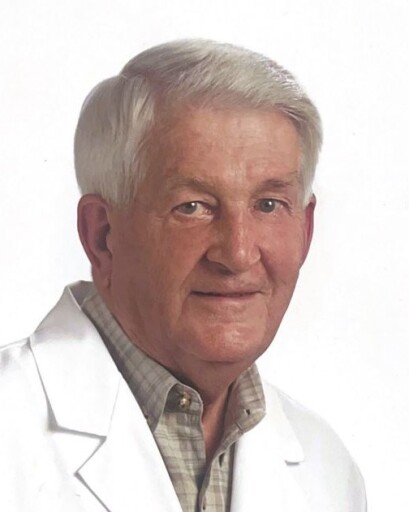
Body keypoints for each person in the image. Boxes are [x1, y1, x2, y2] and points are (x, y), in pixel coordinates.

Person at [0, 40, 366, 512]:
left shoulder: (328, 472)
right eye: (192, 207)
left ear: (305, 230)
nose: (238, 254)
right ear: (103, 236)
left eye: (268, 205)